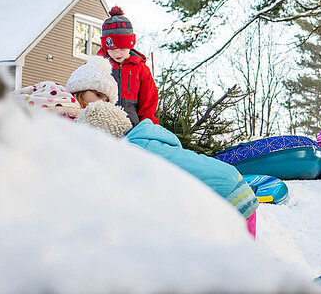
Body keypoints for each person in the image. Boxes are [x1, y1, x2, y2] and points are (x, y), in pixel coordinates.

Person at [77, 100, 260, 237]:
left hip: (224, 196)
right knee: (243, 258)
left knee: (224, 260)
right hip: (235, 182)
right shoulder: (149, 137)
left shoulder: (134, 151)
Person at [98, 6, 159, 126]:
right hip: (102, 123)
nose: (117, 53)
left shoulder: (141, 70)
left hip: (132, 126)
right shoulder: (97, 66)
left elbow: (148, 102)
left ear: (130, 45)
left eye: (122, 48)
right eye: (112, 49)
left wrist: (146, 126)